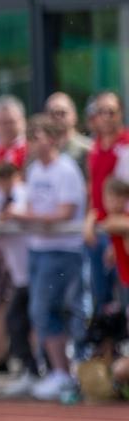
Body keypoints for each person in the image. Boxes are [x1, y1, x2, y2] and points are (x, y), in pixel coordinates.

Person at [8, 116, 90, 401]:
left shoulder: (65, 169)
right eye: (30, 135)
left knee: (55, 310)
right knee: (41, 312)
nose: (32, 141)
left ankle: (65, 373)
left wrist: (27, 216)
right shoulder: (34, 170)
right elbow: (34, 205)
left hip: (62, 250)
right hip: (39, 248)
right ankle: (59, 371)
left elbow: (66, 211)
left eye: (38, 135)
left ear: (53, 139)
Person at [0, 161, 38, 396]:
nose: (6, 182)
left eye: (9, 176)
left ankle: (39, 369)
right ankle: (29, 369)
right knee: (16, 322)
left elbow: (18, 213)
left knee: (33, 321)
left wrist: (4, 216)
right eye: (1, 177)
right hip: (17, 273)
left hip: (33, 268)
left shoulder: (24, 193)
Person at [83, 92, 129, 312]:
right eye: (102, 112)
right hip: (101, 230)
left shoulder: (126, 145)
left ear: (121, 113)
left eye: (112, 112)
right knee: (103, 304)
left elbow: (123, 193)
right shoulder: (94, 147)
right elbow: (94, 187)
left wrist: (115, 236)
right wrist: (91, 216)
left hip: (120, 231)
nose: (107, 117)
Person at [46, 92, 92, 172]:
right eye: (53, 113)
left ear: (74, 115)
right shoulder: (42, 150)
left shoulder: (87, 148)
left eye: (62, 113)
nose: (58, 117)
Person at [0, 95, 27, 169]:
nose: (7, 127)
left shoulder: (30, 151)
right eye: (3, 123)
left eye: (11, 122)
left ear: (23, 121)